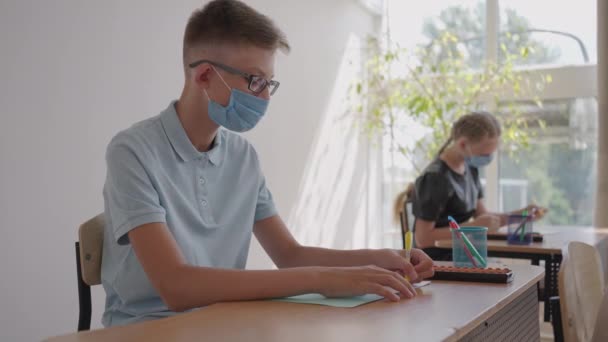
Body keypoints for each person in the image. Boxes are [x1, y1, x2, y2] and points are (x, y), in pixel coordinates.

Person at [101, 0, 434, 327]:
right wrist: (321, 279)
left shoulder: (243, 157)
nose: (265, 97)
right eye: (254, 81)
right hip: (146, 330)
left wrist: (381, 259)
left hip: (222, 324)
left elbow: (290, 255)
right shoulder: (132, 151)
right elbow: (176, 286)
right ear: (204, 76)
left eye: (268, 83)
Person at [394, 111, 546, 260]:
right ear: (462, 144)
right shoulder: (435, 178)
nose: (488, 159)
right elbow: (423, 239)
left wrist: (521, 215)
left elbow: (483, 217)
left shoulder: (470, 170)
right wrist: (472, 228)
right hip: (437, 262)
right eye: (484, 154)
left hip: (464, 256)